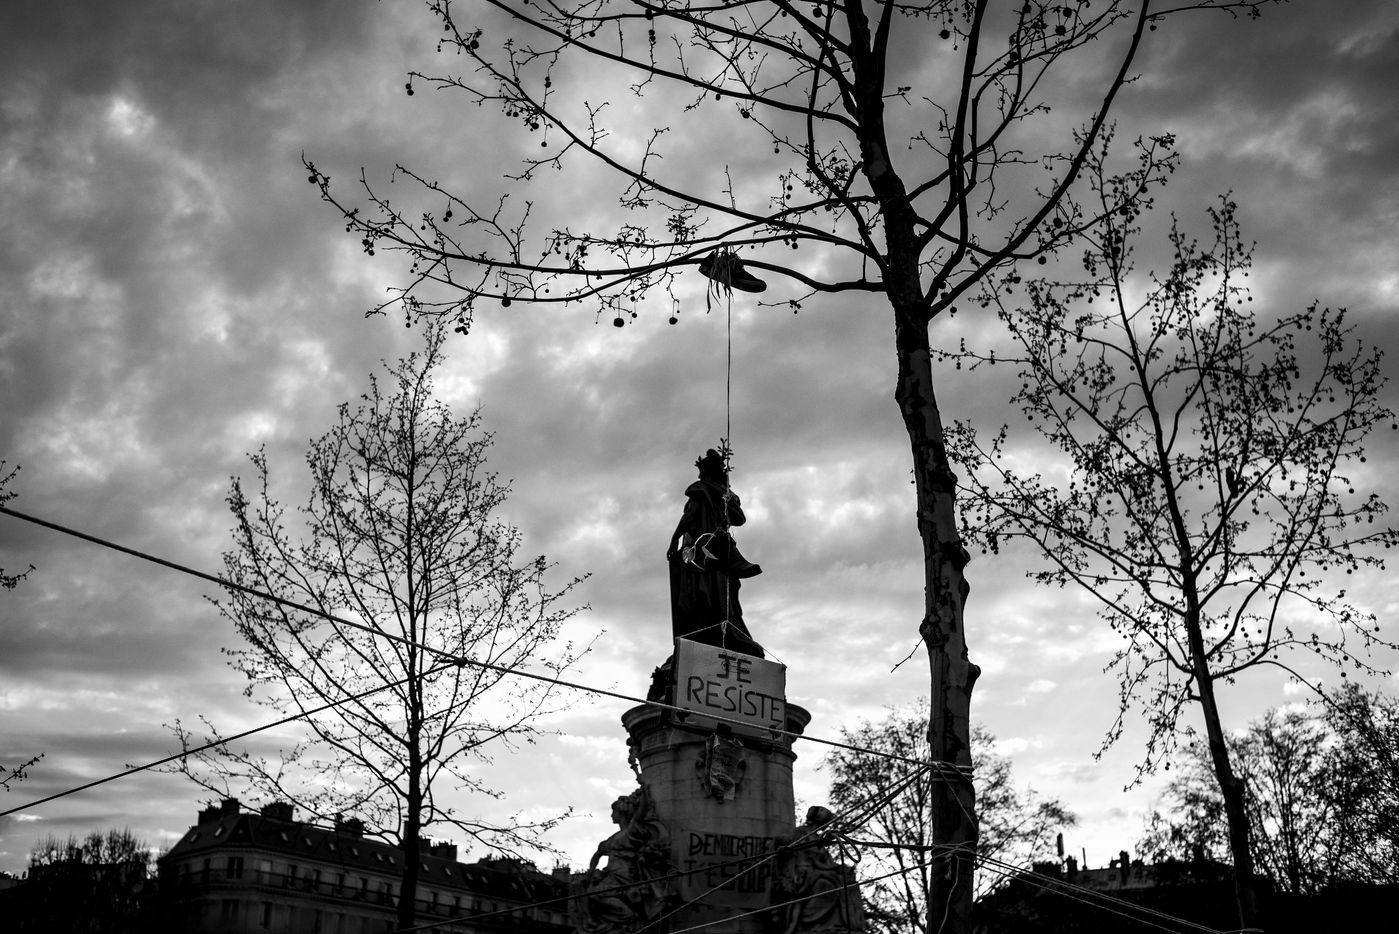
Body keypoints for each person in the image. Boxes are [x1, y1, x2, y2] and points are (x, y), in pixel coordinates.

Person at [666, 449, 764, 657]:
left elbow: (691, 516)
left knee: (712, 591)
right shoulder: (711, 492)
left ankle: (720, 630)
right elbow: (739, 519)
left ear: (707, 471)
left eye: (702, 470)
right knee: (719, 591)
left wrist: (674, 539)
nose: (700, 474)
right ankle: (721, 629)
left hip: (705, 551)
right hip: (712, 550)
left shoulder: (704, 490)